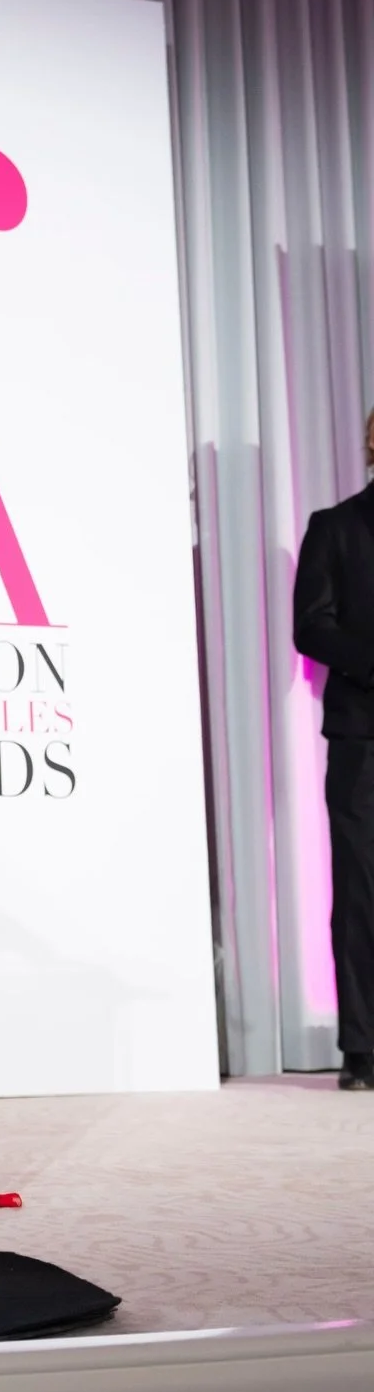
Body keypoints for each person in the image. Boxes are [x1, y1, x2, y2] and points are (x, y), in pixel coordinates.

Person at [293, 410, 374, 1093]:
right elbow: (310, 626)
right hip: (364, 736)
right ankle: (363, 1050)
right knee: (361, 893)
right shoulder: (337, 526)